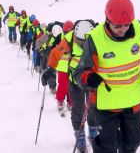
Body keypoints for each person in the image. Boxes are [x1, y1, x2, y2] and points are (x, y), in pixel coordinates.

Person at [74, 0, 140, 153]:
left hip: (132, 101)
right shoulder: (95, 39)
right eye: (117, 26)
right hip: (106, 105)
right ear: (107, 20)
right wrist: (89, 78)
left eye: (126, 25)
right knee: (108, 147)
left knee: (131, 144)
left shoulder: (139, 30)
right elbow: (79, 72)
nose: (123, 30)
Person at [42, 20, 98, 153]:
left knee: (94, 107)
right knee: (78, 108)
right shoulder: (69, 40)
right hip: (75, 80)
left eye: (85, 42)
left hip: (92, 79)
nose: (82, 44)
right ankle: (79, 134)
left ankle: (93, 130)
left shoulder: (95, 38)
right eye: (79, 41)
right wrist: (49, 69)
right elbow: (56, 53)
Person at [42, 20, 74, 112]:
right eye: (66, 32)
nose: (67, 34)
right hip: (62, 66)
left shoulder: (76, 38)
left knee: (72, 86)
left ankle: (70, 102)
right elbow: (53, 50)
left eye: (69, 32)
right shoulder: (60, 37)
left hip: (73, 67)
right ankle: (60, 101)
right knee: (63, 85)